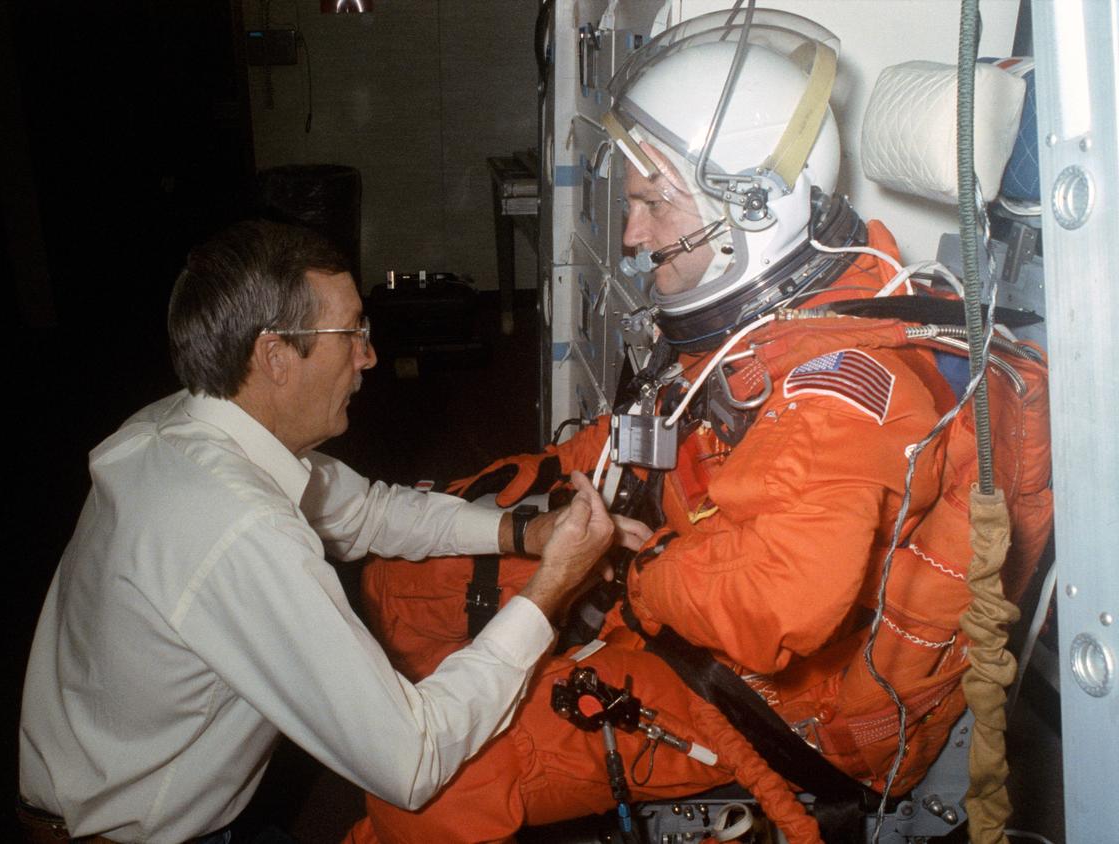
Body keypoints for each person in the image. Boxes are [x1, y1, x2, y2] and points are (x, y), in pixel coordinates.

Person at [350, 8, 1052, 843]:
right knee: (401, 577)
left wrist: (631, 577)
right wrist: (549, 518)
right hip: (685, 566)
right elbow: (676, 429)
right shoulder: (788, 315)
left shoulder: (846, 391)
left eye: (653, 203)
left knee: (425, 792)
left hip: (775, 704)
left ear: (751, 211)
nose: (632, 233)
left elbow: (772, 598)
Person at [17, 219, 648, 843]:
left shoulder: (182, 424)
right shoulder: (238, 526)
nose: (369, 355)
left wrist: (526, 533)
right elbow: (412, 758)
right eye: (351, 333)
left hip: (119, 795)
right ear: (275, 357)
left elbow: (370, 511)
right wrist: (554, 583)